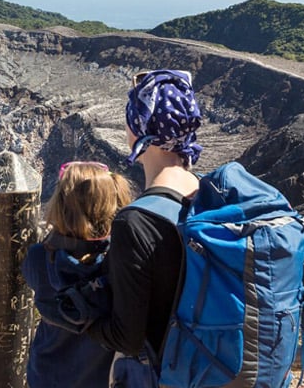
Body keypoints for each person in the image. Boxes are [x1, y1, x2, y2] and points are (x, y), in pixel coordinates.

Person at [86, 69, 203, 382]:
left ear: (139, 128)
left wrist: (77, 319)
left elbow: (128, 337)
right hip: (212, 368)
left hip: (168, 374)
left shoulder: (135, 223)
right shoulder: (213, 198)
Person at [22, 160, 132, 388]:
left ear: (60, 205)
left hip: (47, 374)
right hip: (104, 377)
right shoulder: (122, 262)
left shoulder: (38, 258)